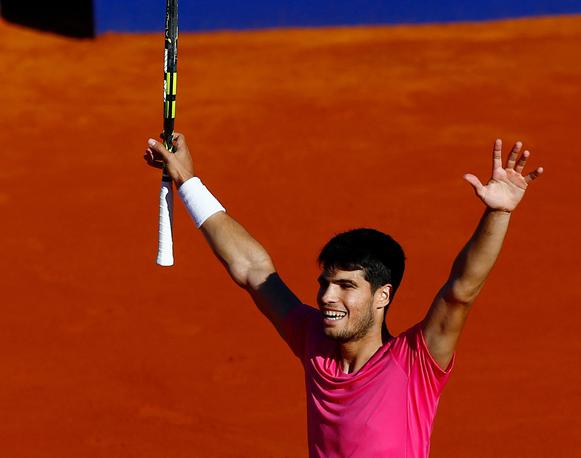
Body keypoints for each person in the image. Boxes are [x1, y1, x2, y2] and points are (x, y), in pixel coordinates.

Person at [143, 133, 544, 457]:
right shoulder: (314, 341)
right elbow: (252, 270)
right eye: (325, 283)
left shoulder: (415, 363)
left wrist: (498, 213)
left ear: (382, 296)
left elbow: (461, 291)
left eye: (346, 286)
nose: (327, 297)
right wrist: (188, 183)